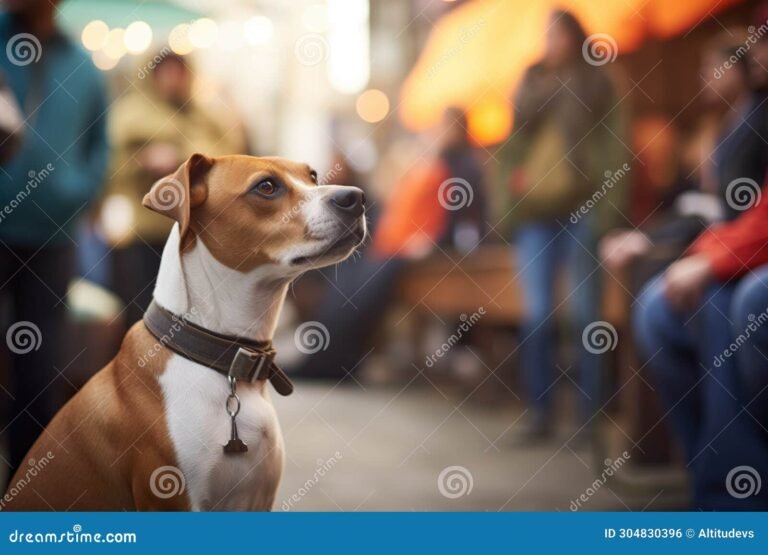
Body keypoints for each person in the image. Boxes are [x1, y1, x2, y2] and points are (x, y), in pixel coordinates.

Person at [496, 9, 627, 442]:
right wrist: (508, 203)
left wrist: (608, 211)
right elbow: (509, 151)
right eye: (546, 32)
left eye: (557, 32)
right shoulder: (529, 83)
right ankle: (540, 414)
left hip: (582, 209)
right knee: (536, 316)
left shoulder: (599, 81)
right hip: (535, 213)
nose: (549, 40)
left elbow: (615, 147)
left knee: (586, 314)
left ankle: (592, 415)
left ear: (575, 36)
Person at [0, 0, 109, 479]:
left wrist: (78, 191)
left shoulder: (82, 63)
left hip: (52, 237)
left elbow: (101, 143)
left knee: (39, 370)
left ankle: (26, 488)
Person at [103, 53, 244, 324]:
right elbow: (112, 165)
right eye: (166, 72)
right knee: (144, 305)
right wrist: (142, 161)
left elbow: (228, 161)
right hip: (144, 230)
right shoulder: (131, 114)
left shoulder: (205, 116)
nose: (173, 79)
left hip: (194, 231)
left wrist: (179, 156)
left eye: (178, 72)